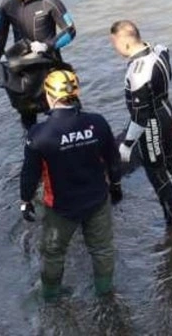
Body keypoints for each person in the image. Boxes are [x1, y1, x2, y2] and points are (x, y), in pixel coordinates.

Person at [19, 70, 122, 301]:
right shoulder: (97, 123)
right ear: (77, 92)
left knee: (54, 253)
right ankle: (105, 294)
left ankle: (50, 297)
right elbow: (113, 160)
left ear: (49, 95)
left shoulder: (39, 135)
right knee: (102, 249)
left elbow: (30, 173)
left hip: (61, 207)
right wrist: (115, 186)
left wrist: (25, 201)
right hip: (97, 200)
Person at [109, 20, 172, 226]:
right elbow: (165, 49)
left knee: (155, 169)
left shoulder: (137, 73)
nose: (115, 49)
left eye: (114, 44)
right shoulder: (159, 51)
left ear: (125, 43)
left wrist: (127, 144)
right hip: (166, 109)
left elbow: (140, 116)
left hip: (151, 122)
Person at [0, 0, 77, 129]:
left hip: (50, 64)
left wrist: (46, 45)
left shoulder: (50, 3)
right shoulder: (7, 5)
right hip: (22, 68)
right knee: (27, 115)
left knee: (62, 109)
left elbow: (70, 31)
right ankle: (31, 146)